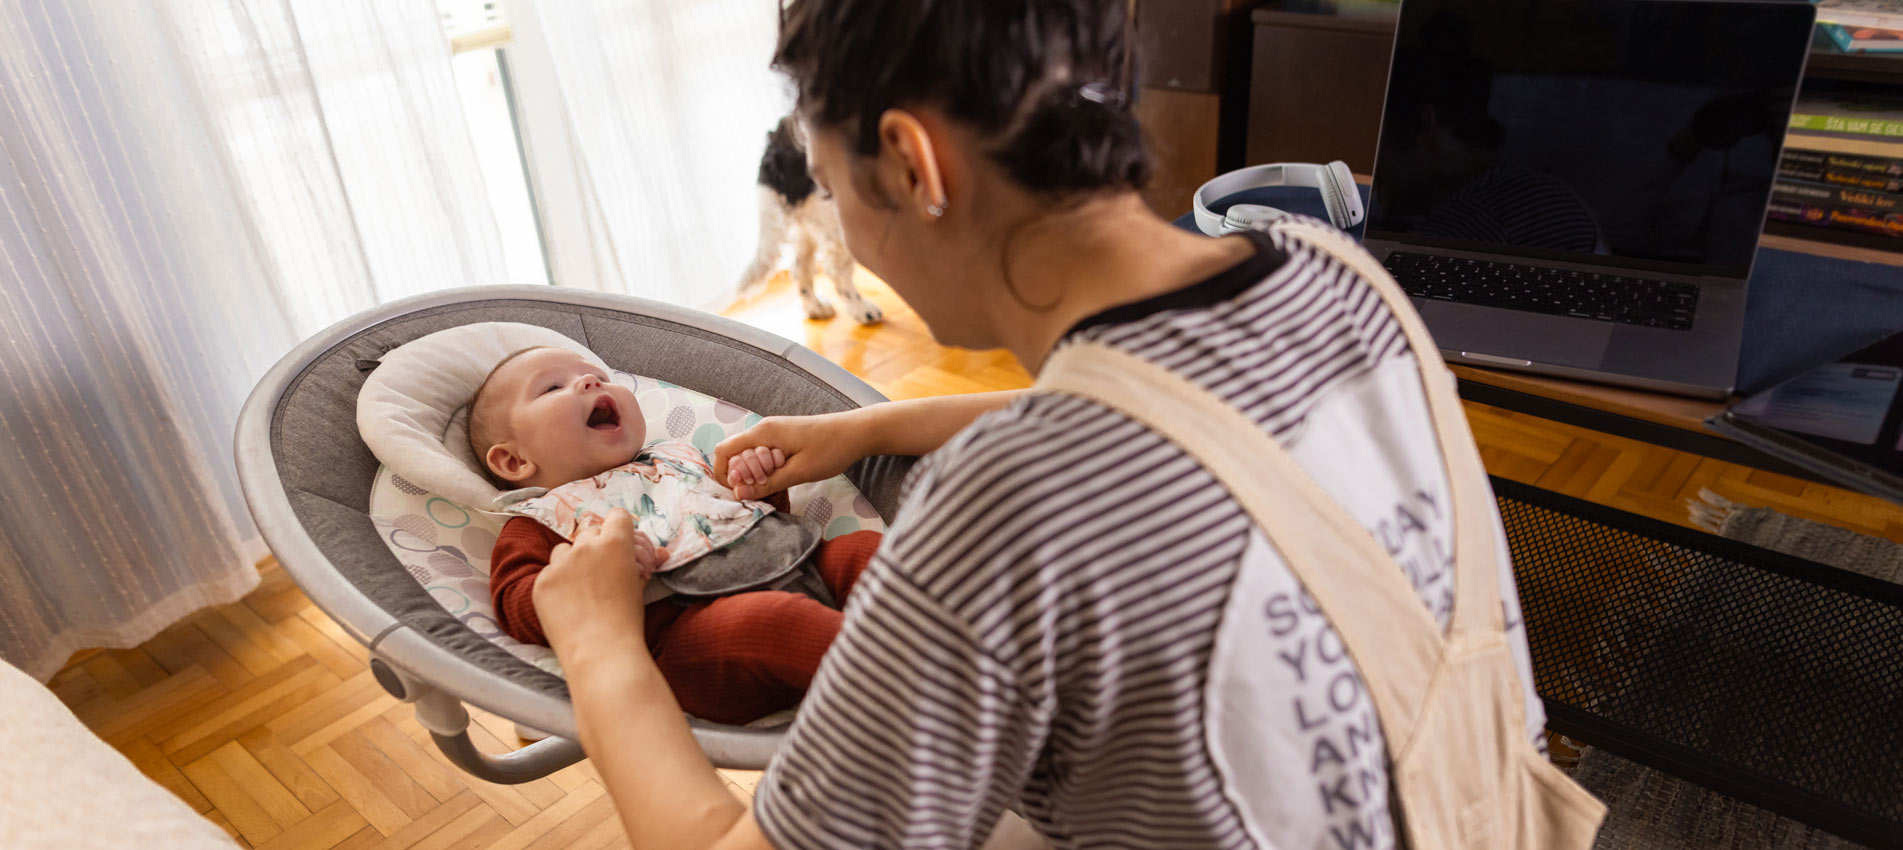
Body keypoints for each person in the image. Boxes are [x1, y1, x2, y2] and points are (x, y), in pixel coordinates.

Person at [528, 1, 1556, 847]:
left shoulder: (1004, 507)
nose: (851, 236)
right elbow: (1176, 417)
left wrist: (599, 642)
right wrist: (871, 428)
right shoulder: (1329, 271)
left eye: (833, 188)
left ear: (913, 164)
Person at [469, 344, 884, 724]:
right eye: (552, 387)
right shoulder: (541, 519)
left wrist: (756, 482)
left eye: (598, 375)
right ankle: (894, 679)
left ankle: (911, 627)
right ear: (514, 461)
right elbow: (514, 602)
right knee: (773, 620)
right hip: (694, 640)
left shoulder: (677, 457)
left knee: (864, 552)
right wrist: (595, 572)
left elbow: (750, 518)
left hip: (799, 565)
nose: (590, 381)